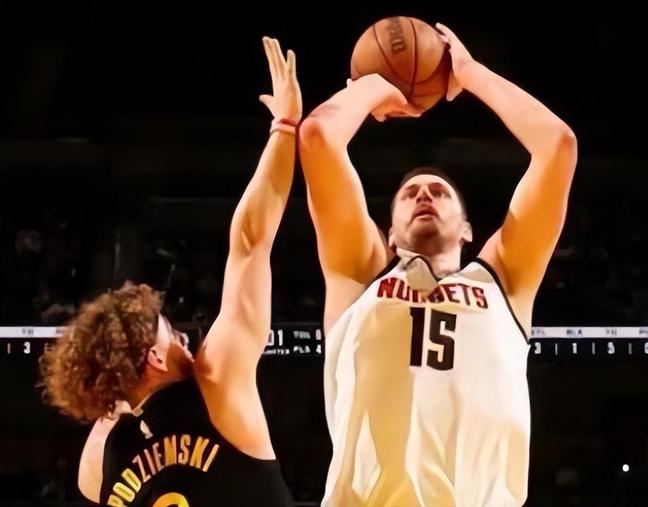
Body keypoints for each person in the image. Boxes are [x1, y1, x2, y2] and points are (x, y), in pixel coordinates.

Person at [299, 22, 577, 507]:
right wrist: (374, 87)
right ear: (388, 234)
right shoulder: (359, 275)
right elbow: (319, 136)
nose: (424, 195)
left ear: (468, 230)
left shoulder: (504, 280)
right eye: (410, 194)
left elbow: (558, 145)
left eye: (439, 192)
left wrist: (470, 73)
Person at [39, 36, 301, 507]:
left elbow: (112, 401)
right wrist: (285, 128)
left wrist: (118, 379)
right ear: (154, 358)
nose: (183, 337)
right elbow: (249, 243)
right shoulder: (217, 386)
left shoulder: (96, 464)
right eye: (171, 332)